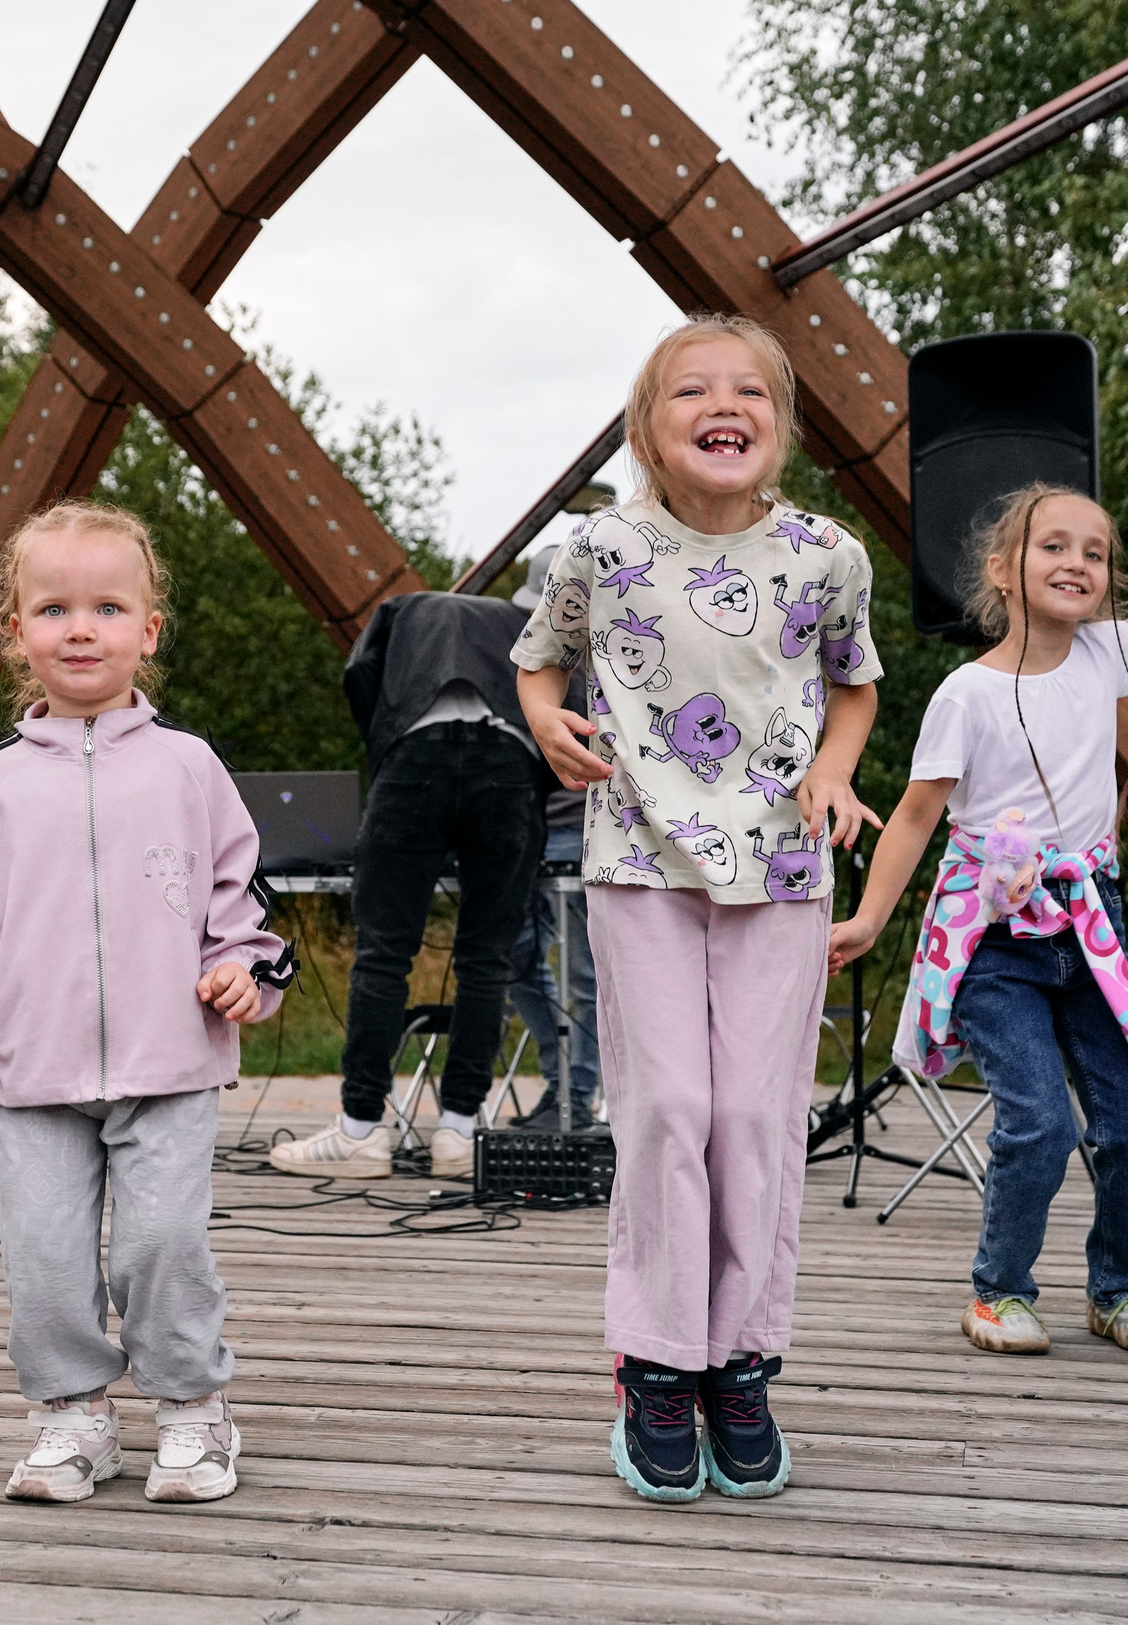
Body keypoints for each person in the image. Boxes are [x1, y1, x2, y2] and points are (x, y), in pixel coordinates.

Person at [514, 313, 883, 1503]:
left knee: (755, 1119)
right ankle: (658, 1362)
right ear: (650, 427)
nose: (723, 407)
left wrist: (834, 770)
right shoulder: (598, 548)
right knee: (669, 1106)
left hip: (780, 864)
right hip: (636, 852)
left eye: (750, 394)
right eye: (692, 392)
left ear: (776, 429)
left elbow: (854, 687)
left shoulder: (828, 553)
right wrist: (544, 719)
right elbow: (539, 659)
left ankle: (740, 1360)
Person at [834, 483, 1128, 1364]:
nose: (1077, 563)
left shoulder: (1105, 658)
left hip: (1090, 929)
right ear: (1003, 571)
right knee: (1040, 1121)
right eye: (1055, 546)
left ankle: (1120, 1287)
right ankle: (1000, 1290)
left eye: (1095, 552)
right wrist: (866, 919)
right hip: (994, 938)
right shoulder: (964, 694)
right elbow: (916, 815)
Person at [0, 500, 293, 1505]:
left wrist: (240, 971)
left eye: (105, 607)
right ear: (15, 634)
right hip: (34, 1072)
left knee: (160, 1241)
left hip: (170, 1059)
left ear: (148, 629)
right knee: (42, 1256)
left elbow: (242, 903)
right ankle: (72, 1415)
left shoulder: (189, 767)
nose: (79, 628)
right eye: (51, 608)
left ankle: (191, 1410)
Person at [269, 582, 547, 1180]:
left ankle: (362, 1130)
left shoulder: (409, 607)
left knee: (383, 955)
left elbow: (361, 673)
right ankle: (458, 1131)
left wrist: (388, 740)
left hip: (416, 756)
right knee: (486, 959)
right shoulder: (522, 621)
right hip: (508, 761)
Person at [504, 547, 602, 1131]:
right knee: (514, 957)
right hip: (535, 834)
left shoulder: (621, 662)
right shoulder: (535, 666)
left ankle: (575, 1095)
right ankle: (563, 1082)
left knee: (583, 973)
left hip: (588, 833)